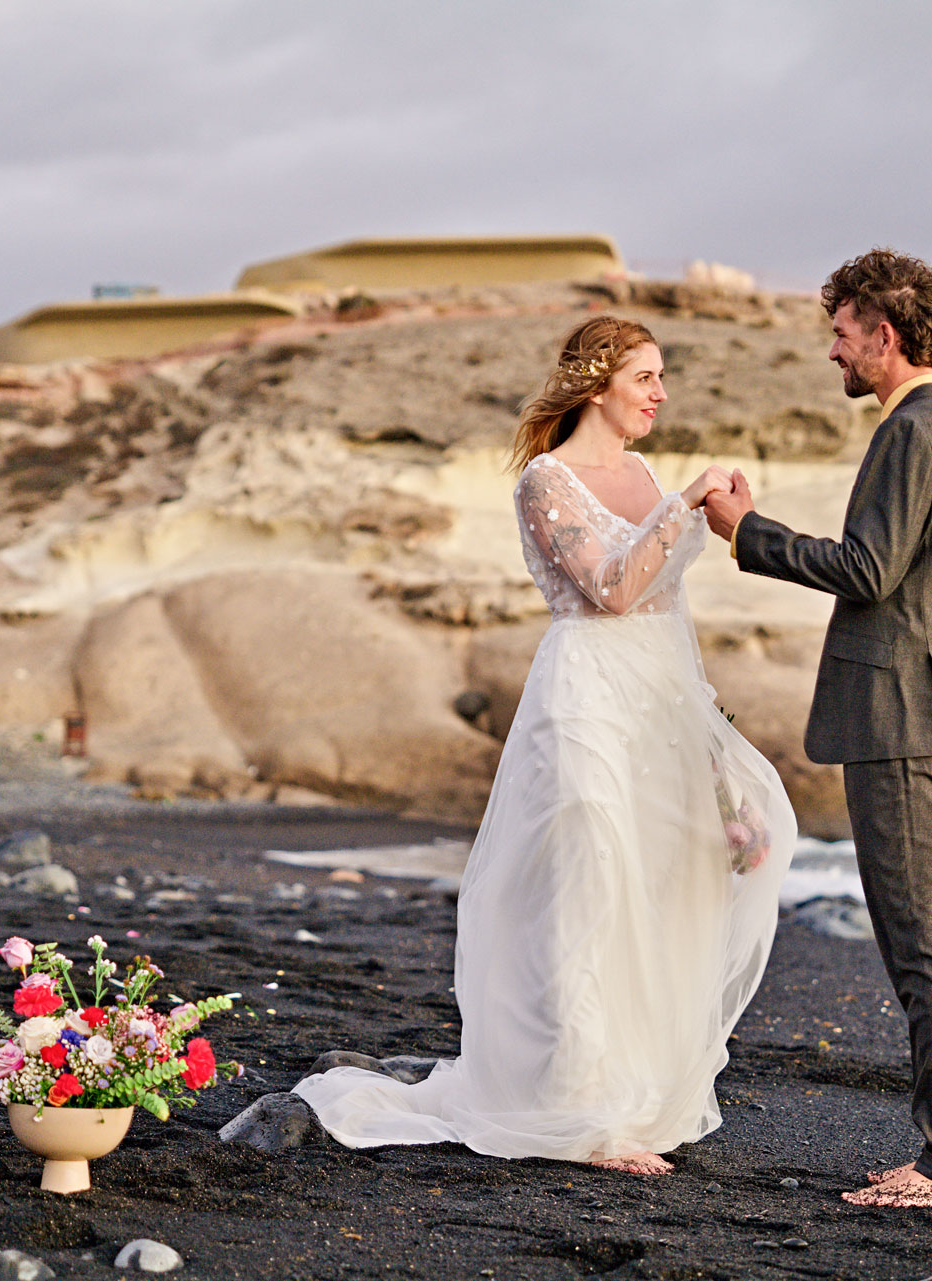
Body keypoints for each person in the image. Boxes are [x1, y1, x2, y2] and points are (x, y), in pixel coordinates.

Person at [295, 316, 797, 1175]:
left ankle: (633, 1088)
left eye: (662, 377)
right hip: (585, 702)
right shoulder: (546, 480)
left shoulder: (641, 470)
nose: (660, 393)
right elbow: (609, 587)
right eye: (647, 376)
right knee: (588, 890)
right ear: (599, 381)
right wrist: (687, 502)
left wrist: (713, 756)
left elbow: (669, 616)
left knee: (672, 882)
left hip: (660, 707)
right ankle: (585, 1110)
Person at [704, 249, 932, 1211]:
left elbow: (869, 570)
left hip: (906, 719)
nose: (831, 350)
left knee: (926, 944)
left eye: (842, 333)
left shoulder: (913, 434)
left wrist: (747, 529)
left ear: (886, 336)